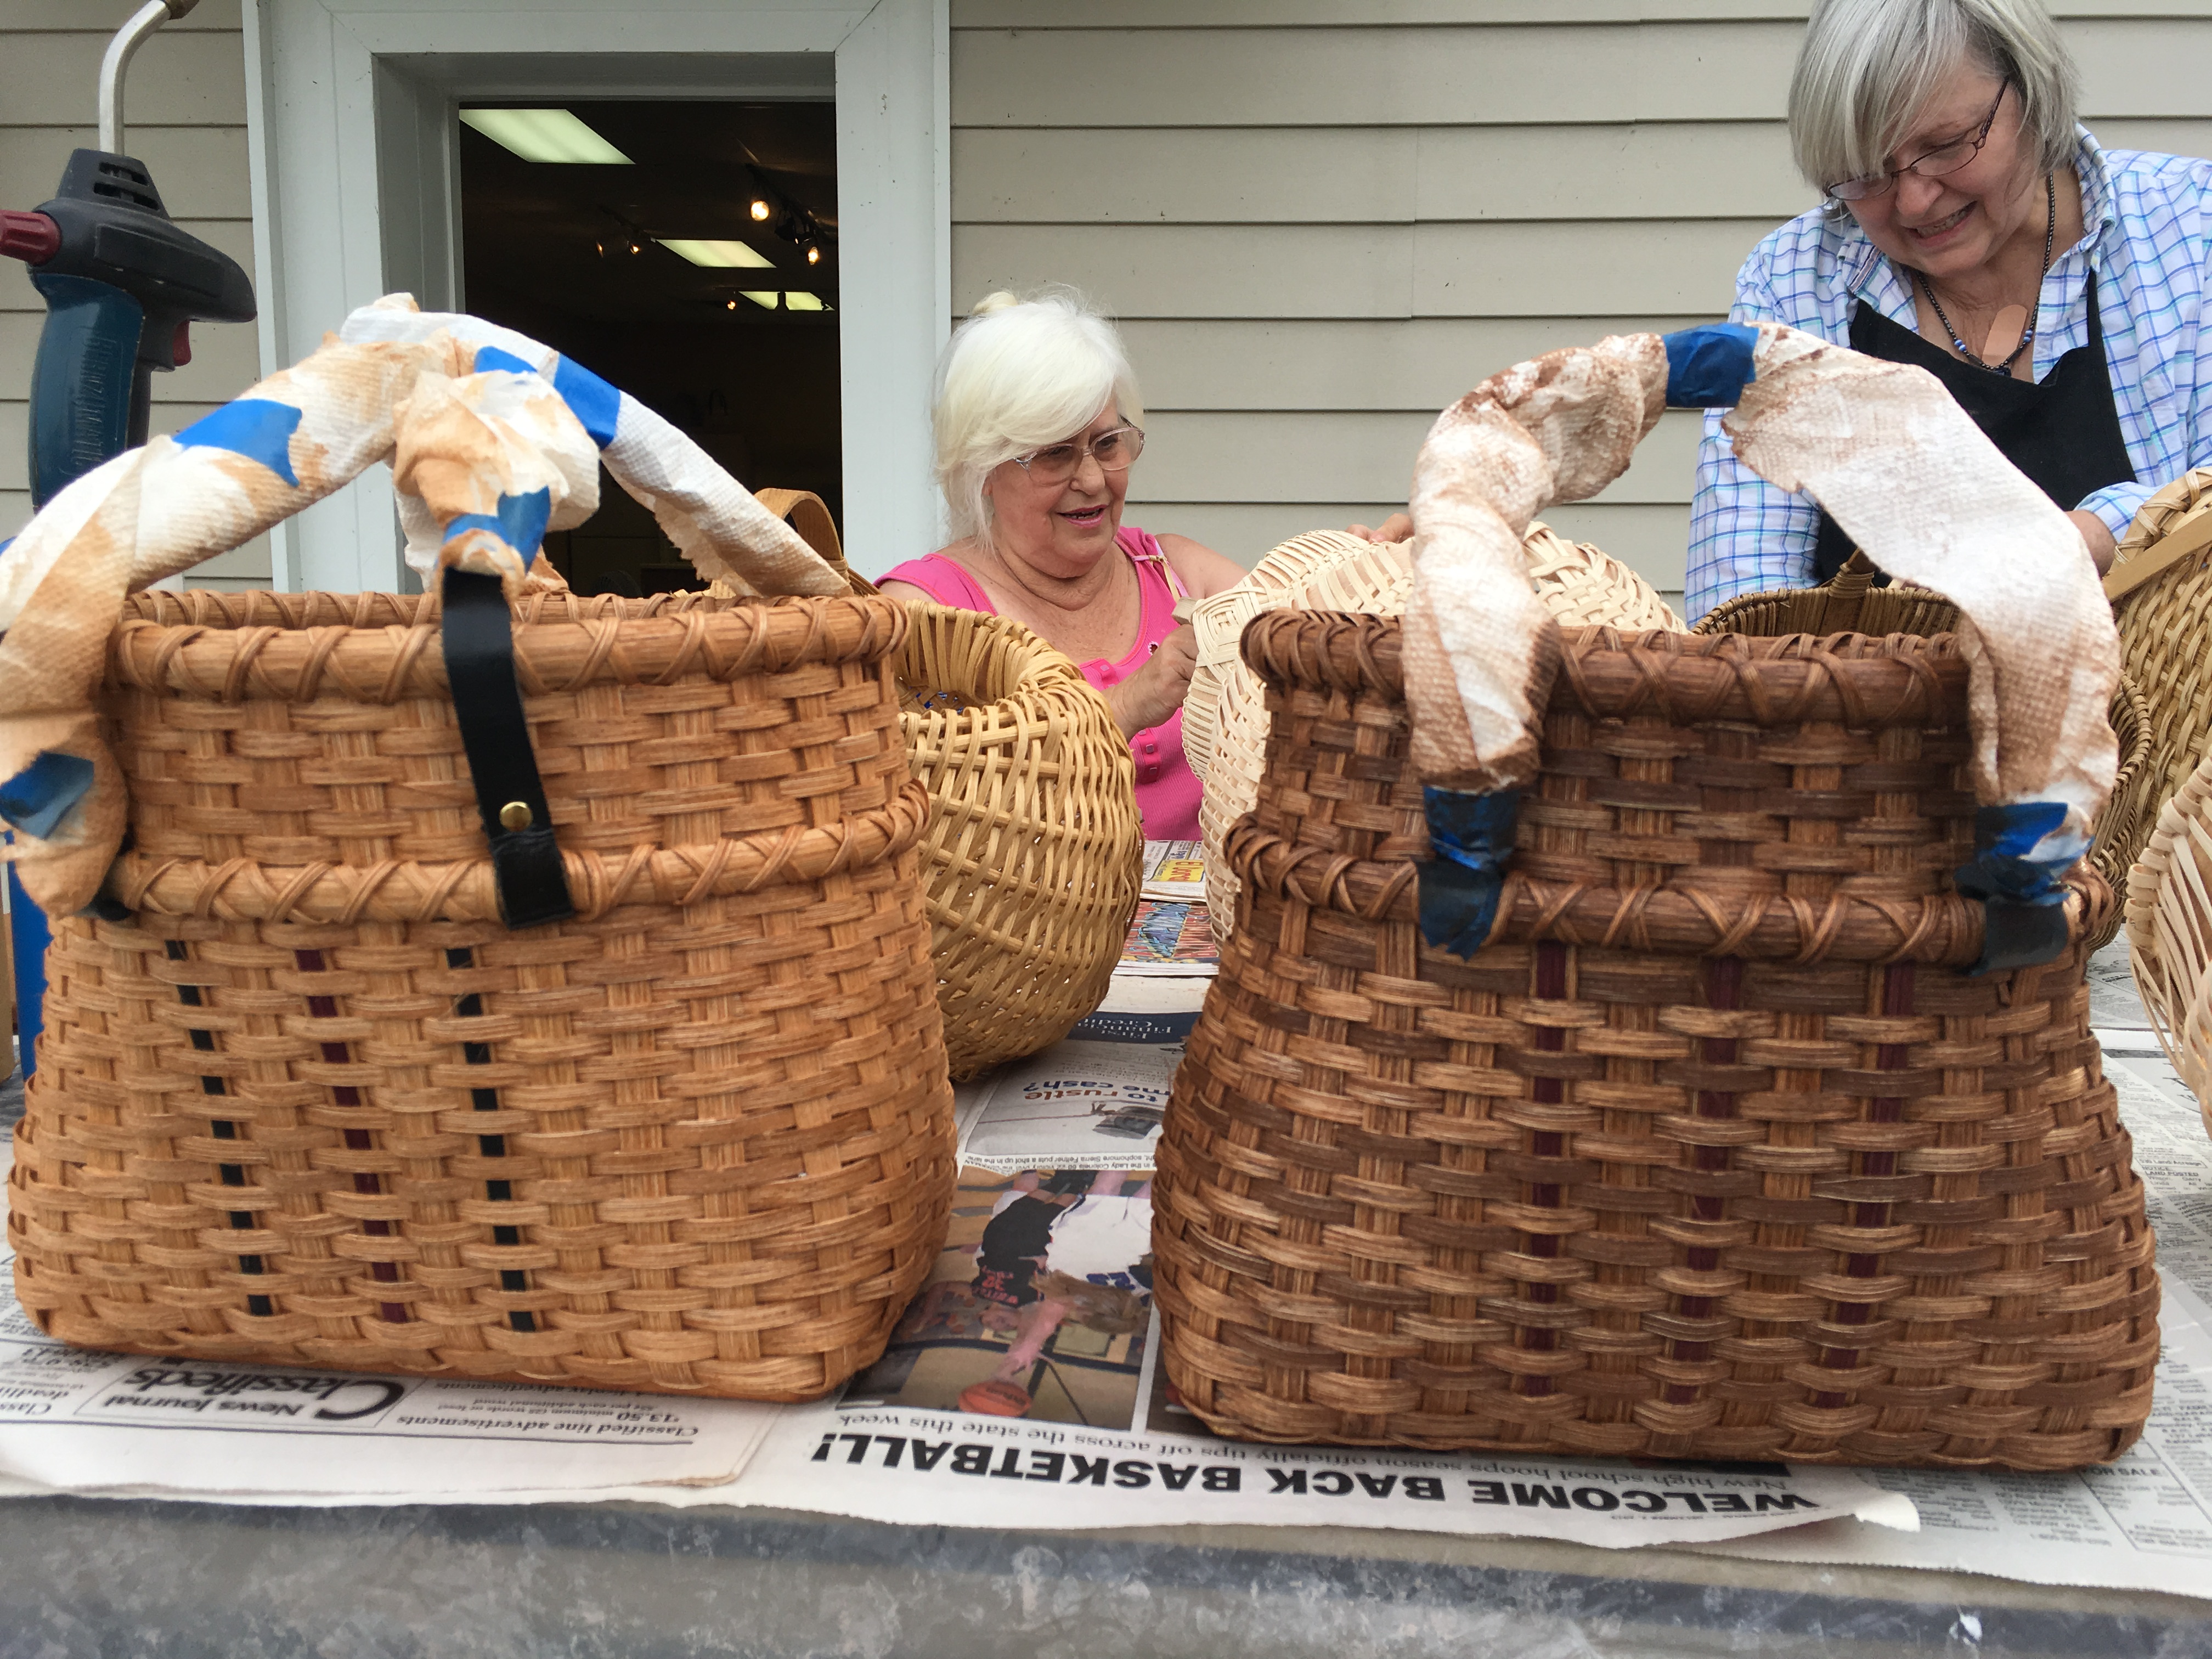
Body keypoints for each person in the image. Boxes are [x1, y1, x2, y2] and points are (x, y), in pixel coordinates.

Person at [1684, 0, 2212, 619]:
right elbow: (1737, 601)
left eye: (1945, 146)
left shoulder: (2192, 227)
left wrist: (2093, 534)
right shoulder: (1795, 280)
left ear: (2032, 92)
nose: (1913, 200)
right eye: (1864, 174)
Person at [878, 290, 1247, 840]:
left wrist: (1373, 563)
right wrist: (1123, 706)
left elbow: (1310, 626)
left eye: (1107, 443)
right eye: (1054, 453)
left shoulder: (1177, 572)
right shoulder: (924, 612)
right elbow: (931, 802)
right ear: (982, 470)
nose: (1094, 480)